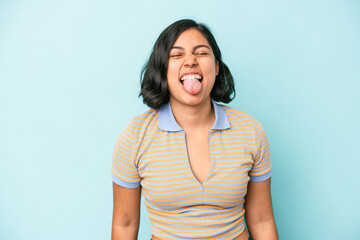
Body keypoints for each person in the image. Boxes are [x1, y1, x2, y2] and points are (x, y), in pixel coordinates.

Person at [111, 19, 278, 240]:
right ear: (162, 69)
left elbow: (262, 220)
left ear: (217, 67)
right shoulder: (134, 136)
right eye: (176, 55)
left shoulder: (250, 131)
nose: (190, 61)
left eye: (201, 53)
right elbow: (125, 225)